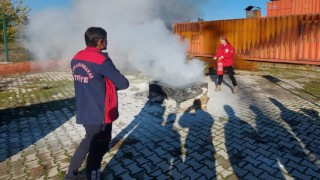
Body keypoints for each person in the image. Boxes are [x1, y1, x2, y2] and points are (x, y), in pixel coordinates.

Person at [65, 27, 129, 180]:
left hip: (84, 109)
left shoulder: (76, 57)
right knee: (98, 149)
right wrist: (110, 86)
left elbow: (91, 80)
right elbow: (123, 83)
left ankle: (70, 174)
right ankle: (93, 176)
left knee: (88, 140)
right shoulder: (101, 60)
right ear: (100, 42)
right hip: (100, 113)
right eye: (106, 39)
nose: (107, 42)